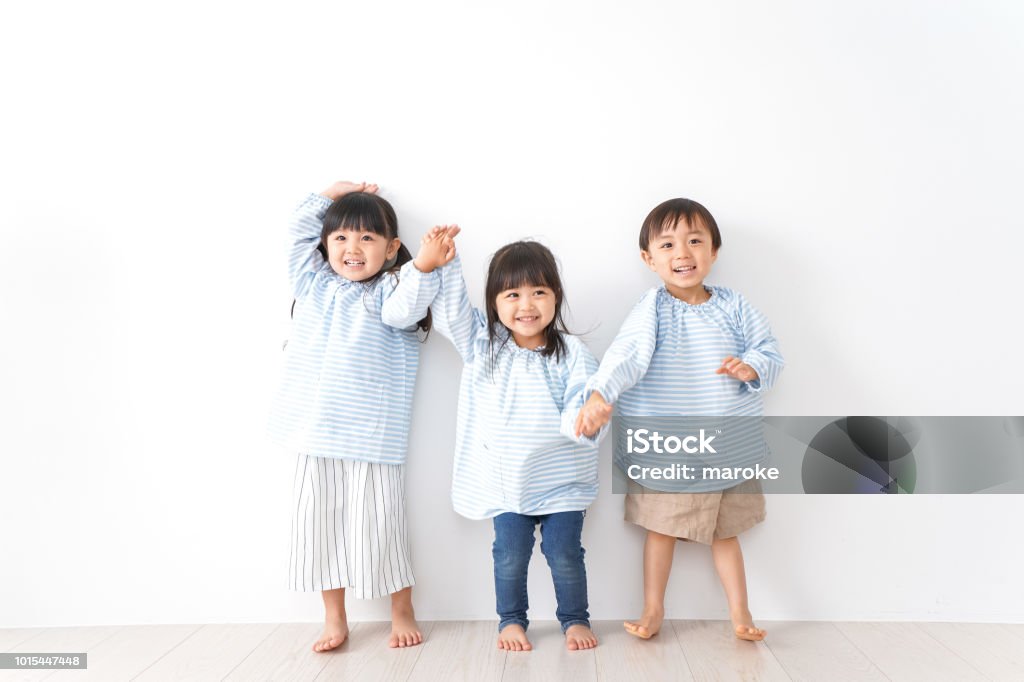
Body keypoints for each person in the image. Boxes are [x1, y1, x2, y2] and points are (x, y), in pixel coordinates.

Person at [576, 198, 784, 641]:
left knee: (726, 535)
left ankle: (741, 613)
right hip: (669, 445)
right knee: (662, 531)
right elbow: (626, 356)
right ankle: (653, 610)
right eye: (667, 245)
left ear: (714, 251)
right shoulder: (652, 308)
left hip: (726, 445)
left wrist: (752, 367)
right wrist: (598, 395)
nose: (682, 254)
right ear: (649, 259)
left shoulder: (734, 305)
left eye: (694, 241)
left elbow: (769, 349)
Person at [267, 181, 456, 652]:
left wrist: (425, 265)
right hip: (312, 434)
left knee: (380, 525)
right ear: (325, 244)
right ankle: (334, 617)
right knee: (316, 527)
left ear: (391, 248)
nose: (353, 248)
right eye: (341, 238)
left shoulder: (391, 290)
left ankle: (401, 608)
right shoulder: (312, 283)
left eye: (367, 239)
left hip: (372, 438)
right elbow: (295, 234)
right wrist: (326, 196)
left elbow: (405, 310)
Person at [426, 238, 609, 651]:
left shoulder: (572, 353)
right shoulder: (482, 345)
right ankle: (511, 620)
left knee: (564, 553)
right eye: (513, 295)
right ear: (494, 302)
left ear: (555, 297)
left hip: (562, 482)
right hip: (506, 484)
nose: (526, 305)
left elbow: (583, 399)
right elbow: (452, 313)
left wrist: (588, 416)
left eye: (538, 292)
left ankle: (575, 620)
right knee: (510, 554)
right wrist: (446, 265)